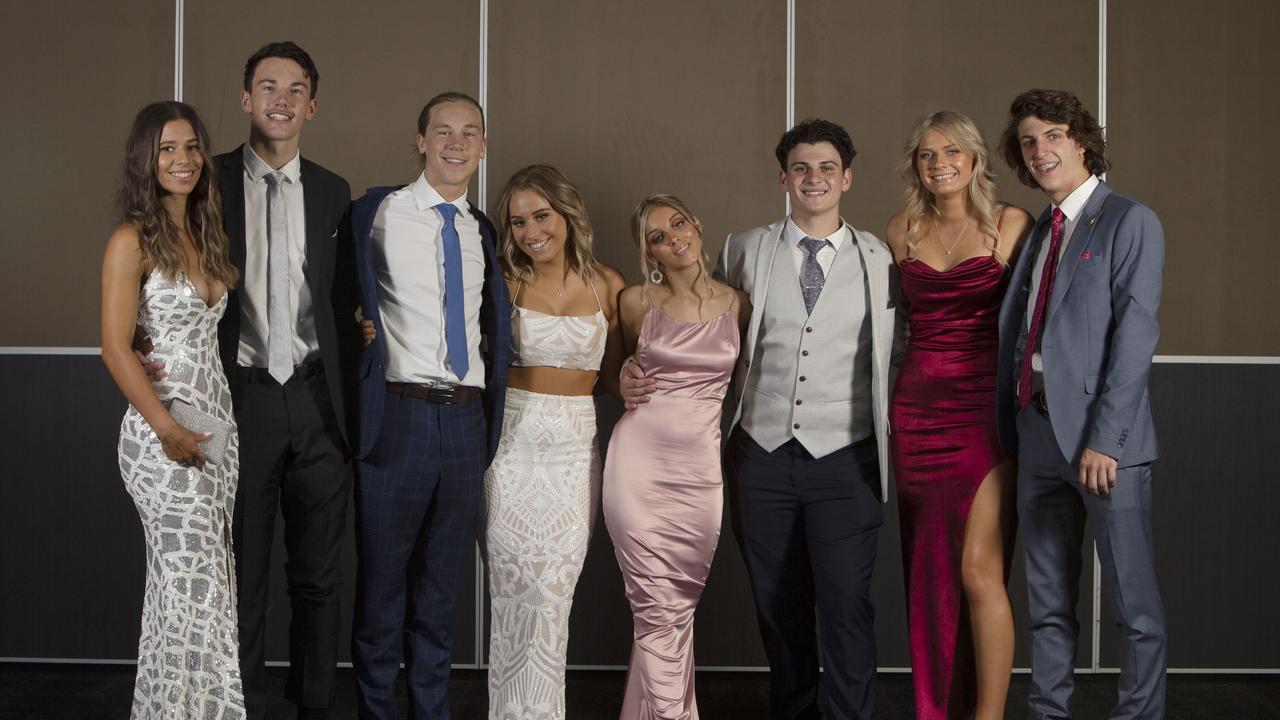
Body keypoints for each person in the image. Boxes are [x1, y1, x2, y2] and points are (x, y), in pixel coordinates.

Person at [623, 119, 902, 719]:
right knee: (779, 607)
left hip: (847, 458)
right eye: (801, 168)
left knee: (848, 604)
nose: (814, 178)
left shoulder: (881, 258)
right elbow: (696, 329)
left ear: (847, 178)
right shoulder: (741, 249)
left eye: (828, 167)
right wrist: (629, 364)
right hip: (760, 457)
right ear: (783, 177)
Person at [996, 88, 1167, 720]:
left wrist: (1106, 440)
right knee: (1047, 603)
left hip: (1104, 445)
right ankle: (1049, 712)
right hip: (1037, 435)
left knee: (1134, 607)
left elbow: (1135, 339)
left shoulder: (1130, 219)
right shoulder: (1041, 228)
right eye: (1027, 141)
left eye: (1052, 136)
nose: (1039, 150)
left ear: (1083, 141)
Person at [349, 91, 510, 720]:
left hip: (466, 423)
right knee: (383, 594)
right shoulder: (376, 212)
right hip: (397, 417)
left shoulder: (482, 230)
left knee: (441, 595)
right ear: (421, 141)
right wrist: (357, 326)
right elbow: (329, 291)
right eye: (442, 131)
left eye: (469, 133)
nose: (455, 143)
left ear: (482, 146)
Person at [884, 110, 1032, 720]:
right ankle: (936, 708)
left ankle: (988, 715)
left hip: (983, 412)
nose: (939, 164)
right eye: (926, 155)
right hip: (916, 411)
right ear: (915, 165)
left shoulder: (1011, 224)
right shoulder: (901, 229)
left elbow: (1037, 314)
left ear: (974, 160)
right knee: (930, 572)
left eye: (951, 152)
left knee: (978, 570)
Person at [101, 101, 245, 718]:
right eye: (166, 150)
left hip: (217, 432)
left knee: (204, 588)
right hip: (163, 436)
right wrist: (167, 430)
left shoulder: (206, 233)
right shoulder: (130, 239)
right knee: (190, 586)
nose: (182, 160)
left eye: (190, 148)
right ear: (145, 159)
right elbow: (113, 345)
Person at [481, 165, 626, 719]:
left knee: (554, 597)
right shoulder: (503, 278)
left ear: (568, 215)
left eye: (541, 215)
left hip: (573, 450)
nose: (530, 231)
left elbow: (611, 379)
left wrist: (641, 380)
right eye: (518, 221)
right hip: (512, 446)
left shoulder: (608, 284)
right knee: (514, 592)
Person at [604, 195, 748, 719]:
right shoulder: (635, 302)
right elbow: (609, 375)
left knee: (675, 609)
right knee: (655, 609)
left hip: (700, 473)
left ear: (698, 223)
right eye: (658, 236)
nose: (674, 239)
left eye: (678, 224)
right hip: (638, 468)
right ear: (649, 252)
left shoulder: (739, 304)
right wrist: (620, 380)